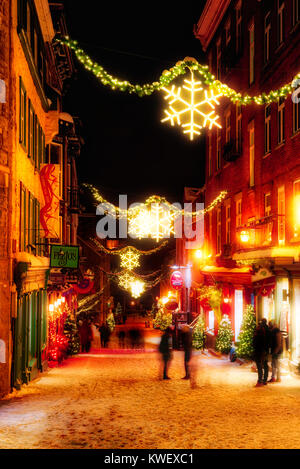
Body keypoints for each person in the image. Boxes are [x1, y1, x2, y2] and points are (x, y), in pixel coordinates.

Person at [253, 319, 270, 387]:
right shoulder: (267, 330)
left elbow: (255, 343)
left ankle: (260, 381)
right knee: (265, 365)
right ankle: (264, 380)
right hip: (265, 350)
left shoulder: (258, 334)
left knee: (259, 366)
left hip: (259, 351)